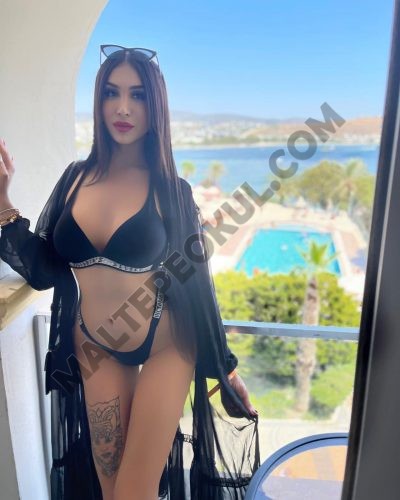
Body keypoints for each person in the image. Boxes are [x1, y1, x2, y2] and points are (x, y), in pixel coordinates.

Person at [0, 45, 260, 500]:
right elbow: (42, 270)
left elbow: (197, 282)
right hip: (95, 348)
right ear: (98, 100)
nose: (123, 108)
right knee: (111, 488)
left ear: (155, 106)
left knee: (133, 492)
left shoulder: (171, 189)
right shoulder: (74, 179)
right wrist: (3, 202)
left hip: (166, 344)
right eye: (112, 92)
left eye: (137, 95)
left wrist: (226, 368)